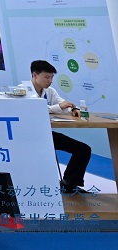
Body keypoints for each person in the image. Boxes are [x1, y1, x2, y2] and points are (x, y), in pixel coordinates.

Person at [21, 60, 92, 195]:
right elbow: (38, 108)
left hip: (46, 134)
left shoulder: (50, 91)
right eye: (46, 77)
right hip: (28, 137)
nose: (50, 81)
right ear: (34, 75)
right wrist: (59, 107)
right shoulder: (23, 91)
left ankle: (69, 183)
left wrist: (73, 109)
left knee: (83, 149)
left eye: (52, 77)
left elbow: (63, 103)